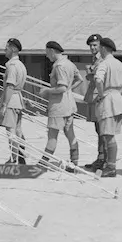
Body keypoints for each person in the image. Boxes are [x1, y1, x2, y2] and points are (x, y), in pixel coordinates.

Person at [93, 37, 122, 178]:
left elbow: (98, 79)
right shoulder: (118, 63)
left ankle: (111, 166)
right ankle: (109, 164)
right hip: (117, 99)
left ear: (104, 48)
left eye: (99, 47)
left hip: (108, 101)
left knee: (108, 135)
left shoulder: (104, 63)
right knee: (109, 135)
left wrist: (100, 94)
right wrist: (120, 92)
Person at [38, 41, 84, 171]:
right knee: (70, 134)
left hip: (59, 106)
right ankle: (74, 162)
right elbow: (79, 79)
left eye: (47, 53)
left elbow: (62, 87)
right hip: (69, 104)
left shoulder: (59, 66)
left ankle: (43, 163)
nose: (47, 56)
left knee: (52, 136)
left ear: (52, 51)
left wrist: (47, 91)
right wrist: (69, 89)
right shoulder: (69, 63)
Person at [0, 38, 27, 164]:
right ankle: (20, 156)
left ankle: (15, 158)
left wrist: (4, 105)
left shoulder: (12, 66)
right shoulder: (20, 65)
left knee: (11, 131)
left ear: (13, 49)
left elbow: (9, 86)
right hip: (18, 99)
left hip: (11, 100)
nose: (5, 50)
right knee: (18, 130)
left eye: (7, 47)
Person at [83, 34, 106, 171]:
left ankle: (103, 159)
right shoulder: (95, 60)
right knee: (98, 130)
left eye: (95, 45)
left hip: (99, 98)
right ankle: (100, 157)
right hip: (94, 97)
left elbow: (100, 79)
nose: (92, 48)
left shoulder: (101, 60)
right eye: (91, 45)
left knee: (102, 130)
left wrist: (90, 74)